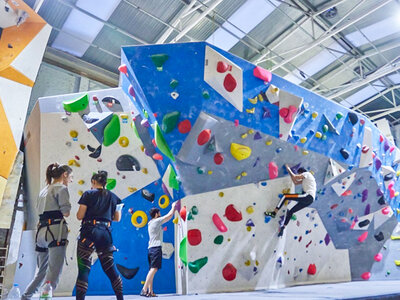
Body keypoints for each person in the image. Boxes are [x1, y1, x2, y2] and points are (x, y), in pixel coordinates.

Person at [22, 163, 73, 300]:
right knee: (54, 272)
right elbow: (66, 212)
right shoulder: (61, 188)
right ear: (65, 175)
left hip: (41, 232)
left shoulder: (44, 190)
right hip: (55, 231)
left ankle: (26, 296)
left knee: (41, 272)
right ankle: (45, 297)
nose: (71, 180)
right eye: (70, 177)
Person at [75, 171, 124, 300]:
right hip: (105, 234)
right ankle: (120, 297)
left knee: (84, 269)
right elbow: (117, 218)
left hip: (89, 233)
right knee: (110, 269)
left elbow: (79, 216)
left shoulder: (87, 194)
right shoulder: (114, 197)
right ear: (106, 183)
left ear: (93, 182)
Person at [265, 165, 316, 237]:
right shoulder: (309, 179)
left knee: (285, 196)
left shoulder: (307, 174)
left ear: (301, 172)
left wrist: (288, 169)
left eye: (299, 173)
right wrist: (291, 174)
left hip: (307, 196)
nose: (299, 175)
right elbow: (295, 182)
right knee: (291, 211)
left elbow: (295, 177)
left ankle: (274, 213)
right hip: (310, 200)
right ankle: (283, 227)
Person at [141, 202, 177, 297]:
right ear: (156, 214)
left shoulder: (150, 223)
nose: (160, 214)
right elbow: (169, 216)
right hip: (156, 248)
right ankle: (144, 289)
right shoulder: (156, 221)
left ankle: (150, 291)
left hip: (151, 249)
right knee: (154, 269)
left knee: (151, 271)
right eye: (159, 213)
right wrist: (173, 207)